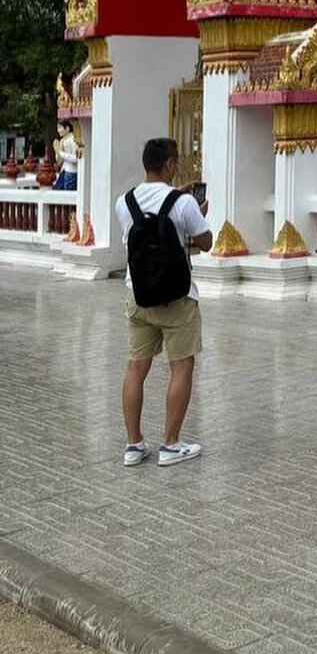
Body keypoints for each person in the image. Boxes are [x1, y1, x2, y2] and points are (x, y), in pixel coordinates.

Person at [113, 137, 212, 468]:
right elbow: (206, 242)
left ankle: (133, 444)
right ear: (169, 164)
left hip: (138, 295)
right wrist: (196, 213)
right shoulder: (183, 203)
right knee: (181, 366)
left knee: (135, 368)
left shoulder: (123, 203)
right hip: (177, 298)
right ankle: (170, 443)